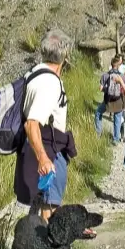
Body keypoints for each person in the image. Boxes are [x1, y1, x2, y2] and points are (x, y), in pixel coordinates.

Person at [14, 29, 77, 223]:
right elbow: (32, 123)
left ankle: (38, 247)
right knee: (50, 208)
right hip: (48, 151)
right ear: (65, 56)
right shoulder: (49, 83)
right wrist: (43, 159)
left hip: (36, 148)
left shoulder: (34, 74)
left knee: (43, 206)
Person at [95, 55, 125, 144]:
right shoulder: (122, 76)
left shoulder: (105, 75)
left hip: (108, 101)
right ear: (119, 66)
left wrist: (107, 89)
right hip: (119, 100)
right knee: (117, 119)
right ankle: (116, 139)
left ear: (111, 65)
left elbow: (100, 89)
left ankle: (99, 133)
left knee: (98, 113)